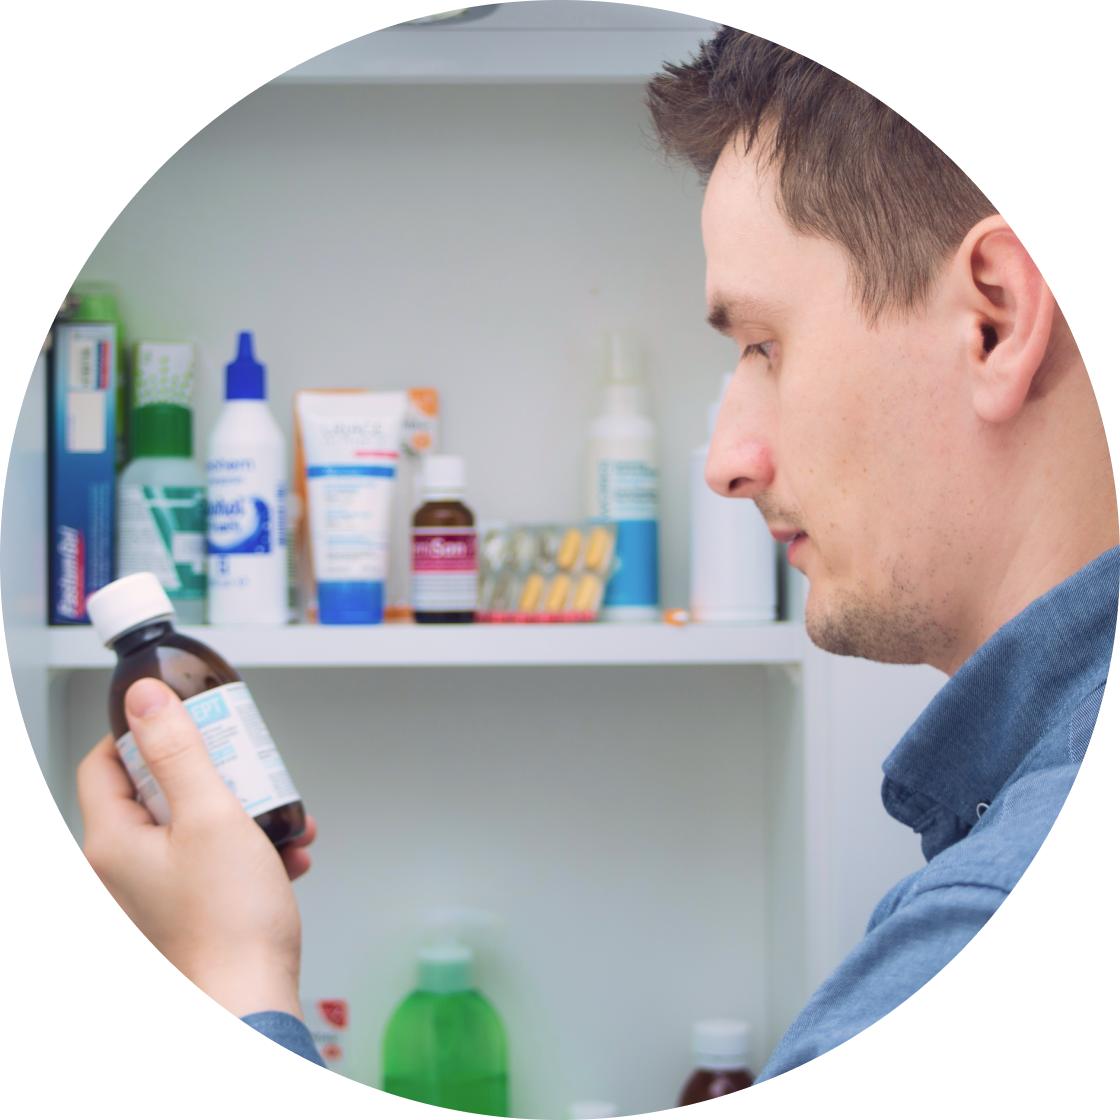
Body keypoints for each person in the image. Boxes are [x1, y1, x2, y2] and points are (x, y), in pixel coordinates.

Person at [79, 30, 1116, 1079]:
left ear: (989, 318)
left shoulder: (975, 910)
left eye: (762, 344)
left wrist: (229, 972)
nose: (723, 463)